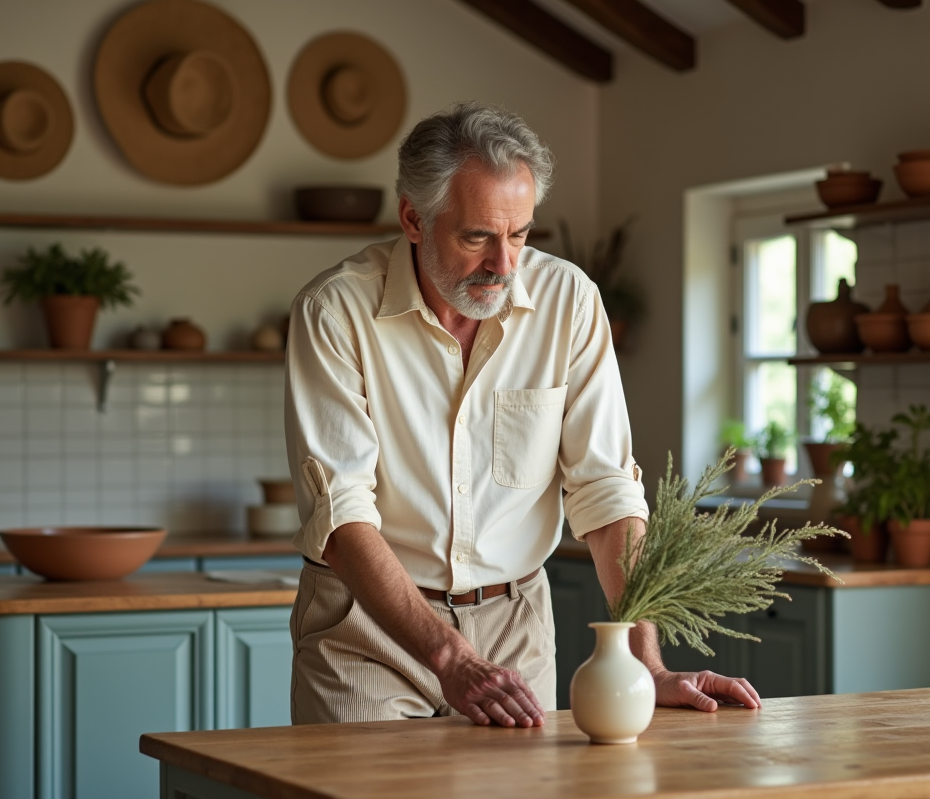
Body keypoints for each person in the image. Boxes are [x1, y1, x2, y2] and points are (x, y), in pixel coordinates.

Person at [285, 101, 761, 727]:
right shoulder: (335, 310)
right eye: (477, 236)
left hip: (515, 628)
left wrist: (648, 660)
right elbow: (342, 515)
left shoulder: (571, 302)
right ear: (413, 218)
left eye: (520, 234)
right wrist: (450, 657)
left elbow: (607, 490)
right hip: (366, 632)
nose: (504, 265)